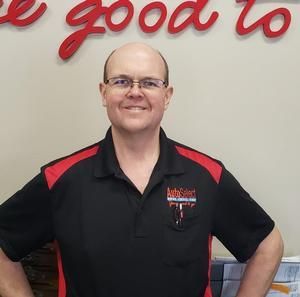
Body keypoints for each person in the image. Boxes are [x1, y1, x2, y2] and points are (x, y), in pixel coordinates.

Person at [0, 42, 283, 297]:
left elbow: (267, 245)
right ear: (104, 92)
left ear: (167, 95)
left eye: (149, 83)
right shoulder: (61, 179)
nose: (135, 92)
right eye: (121, 81)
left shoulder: (206, 175)